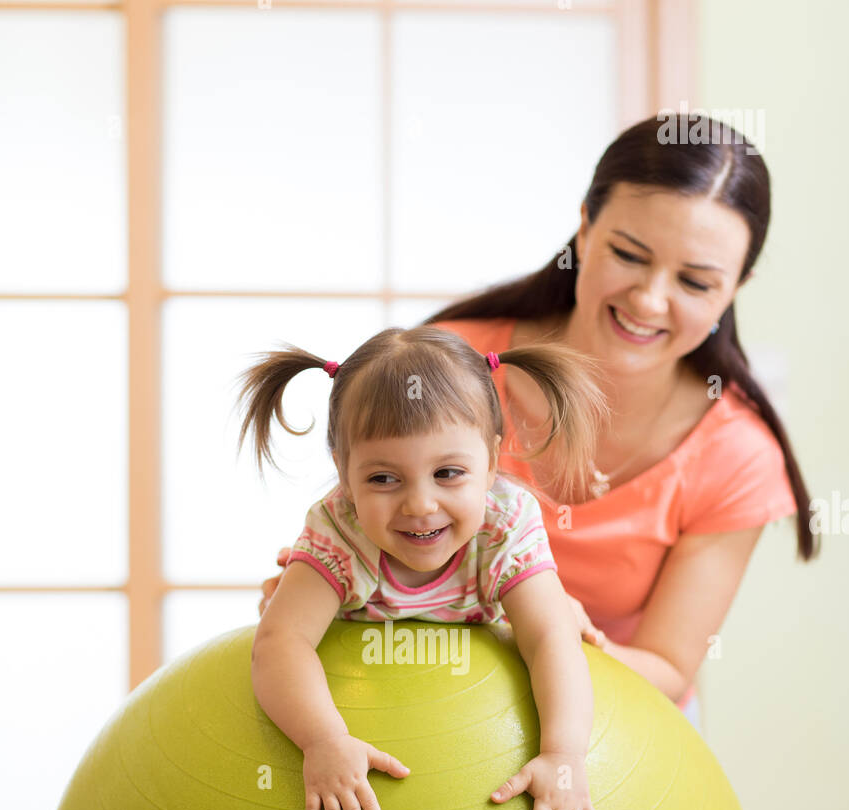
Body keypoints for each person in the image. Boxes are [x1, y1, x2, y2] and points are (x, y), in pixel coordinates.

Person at [259, 115, 818, 735]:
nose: (650, 300)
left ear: (737, 284)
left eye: (694, 281)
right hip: (416, 711)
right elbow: (365, 514)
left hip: (617, 737)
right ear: (584, 228)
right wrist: (324, 592)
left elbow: (667, 668)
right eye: (629, 255)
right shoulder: (456, 367)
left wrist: (549, 632)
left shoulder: (737, 454)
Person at [237, 326, 610, 810]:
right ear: (343, 473)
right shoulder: (340, 528)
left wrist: (563, 754)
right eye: (384, 478)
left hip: (492, 651)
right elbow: (280, 642)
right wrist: (322, 739)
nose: (419, 504)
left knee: (559, 616)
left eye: (448, 473)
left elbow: (551, 640)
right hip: (356, 671)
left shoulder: (503, 524)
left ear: (491, 461)